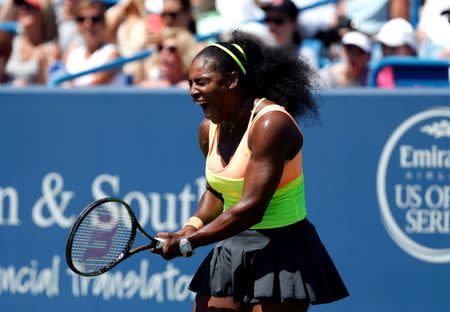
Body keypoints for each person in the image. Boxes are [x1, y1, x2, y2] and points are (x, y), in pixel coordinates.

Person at [153, 31, 349, 311]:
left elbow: (252, 208)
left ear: (232, 81)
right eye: (190, 83)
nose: (193, 91)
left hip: (282, 251)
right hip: (231, 245)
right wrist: (190, 226)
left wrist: (188, 242)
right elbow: (216, 191)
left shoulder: (271, 125)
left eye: (201, 82)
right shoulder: (208, 129)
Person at [63, 0, 125, 87]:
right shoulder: (72, 53)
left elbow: (93, 88)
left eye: (95, 19)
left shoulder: (113, 54)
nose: (88, 24)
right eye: (81, 19)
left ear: (104, 23)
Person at [5, 0, 59, 86]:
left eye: (29, 7)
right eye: (21, 6)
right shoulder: (12, 42)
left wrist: (42, 65)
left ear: (43, 13)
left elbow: (49, 87)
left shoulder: (51, 49)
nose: (22, 9)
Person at [375, 17, 417, 88]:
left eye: (393, 48)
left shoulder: (425, 77)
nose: (387, 52)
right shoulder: (378, 74)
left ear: (409, 49)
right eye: (384, 47)